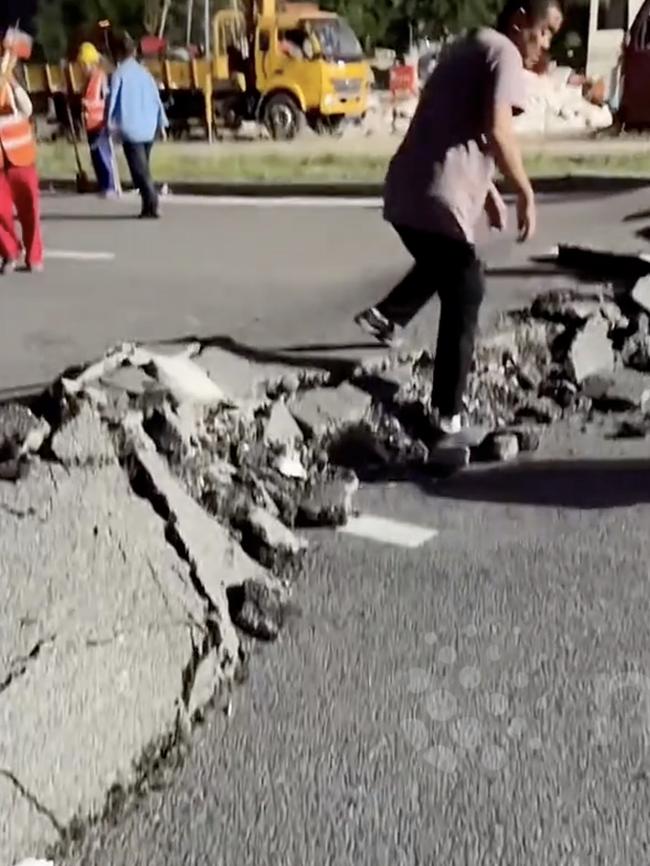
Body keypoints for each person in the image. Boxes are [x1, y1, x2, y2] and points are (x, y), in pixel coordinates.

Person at [355, 0, 563, 436]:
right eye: (543, 31)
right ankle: (446, 413)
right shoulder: (503, 52)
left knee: (444, 266)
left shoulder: (470, 45)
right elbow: (499, 128)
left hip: (408, 189)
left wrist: (488, 190)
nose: (543, 45)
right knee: (466, 283)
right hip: (435, 195)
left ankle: (387, 316)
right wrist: (525, 191)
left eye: (551, 38)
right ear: (521, 16)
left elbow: (458, 124)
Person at [106, 33, 168, 218]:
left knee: (139, 171)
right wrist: (161, 123)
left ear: (117, 54)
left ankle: (153, 202)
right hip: (148, 127)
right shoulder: (145, 73)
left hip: (131, 129)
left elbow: (113, 101)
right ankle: (147, 207)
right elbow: (157, 99)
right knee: (143, 168)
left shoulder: (119, 74)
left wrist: (109, 125)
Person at [0, 38, 44, 273]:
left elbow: (27, 109)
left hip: (21, 157)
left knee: (30, 210)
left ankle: (34, 256)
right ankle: (9, 253)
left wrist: (11, 81)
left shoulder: (9, 83)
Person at [78, 41, 118, 197]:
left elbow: (105, 100)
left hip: (100, 123)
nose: (82, 68)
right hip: (91, 124)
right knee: (96, 156)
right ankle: (103, 184)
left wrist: (87, 104)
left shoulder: (100, 77)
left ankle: (109, 185)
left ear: (91, 62)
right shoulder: (87, 80)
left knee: (103, 155)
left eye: (83, 64)